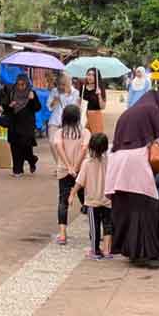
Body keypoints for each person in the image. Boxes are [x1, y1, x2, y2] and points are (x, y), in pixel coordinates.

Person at [105, 92, 159, 268]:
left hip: (117, 162)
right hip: (135, 162)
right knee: (147, 207)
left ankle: (133, 252)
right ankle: (149, 255)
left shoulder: (130, 112)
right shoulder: (151, 109)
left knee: (127, 208)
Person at [71, 133, 112, 260]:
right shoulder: (110, 161)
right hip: (108, 200)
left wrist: (72, 194)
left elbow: (80, 182)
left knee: (94, 227)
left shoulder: (87, 163)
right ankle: (107, 250)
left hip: (92, 201)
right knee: (108, 225)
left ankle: (95, 250)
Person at [54, 105, 91, 245]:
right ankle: (93, 231)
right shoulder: (85, 132)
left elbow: (59, 148)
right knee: (87, 201)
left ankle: (62, 234)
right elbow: (84, 148)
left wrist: (69, 166)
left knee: (63, 201)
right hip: (81, 171)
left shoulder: (60, 133)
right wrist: (75, 167)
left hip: (64, 171)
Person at [2, 73, 42, 177]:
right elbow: (5, 108)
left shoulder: (31, 93)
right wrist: (10, 106)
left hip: (27, 126)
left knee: (26, 147)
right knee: (15, 147)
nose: (20, 87)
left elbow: (37, 108)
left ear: (27, 84)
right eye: (19, 84)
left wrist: (32, 99)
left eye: (23, 84)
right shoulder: (11, 93)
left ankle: (32, 160)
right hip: (14, 125)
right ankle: (17, 170)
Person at [47, 73, 80, 174]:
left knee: (67, 145)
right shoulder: (54, 92)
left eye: (63, 84)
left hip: (69, 122)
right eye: (59, 84)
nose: (61, 87)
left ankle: (67, 166)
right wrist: (54, 102)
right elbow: (49, 107)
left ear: (68, 83)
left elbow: (75, 108)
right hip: (55, 121)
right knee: (53, 142)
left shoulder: (75, 93)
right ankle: (59, 165)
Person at [80, 68, 106, 134]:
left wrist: (99, 95)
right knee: (84, 139)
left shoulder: (100, 88)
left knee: (96, 139)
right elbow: (79, 103)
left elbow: (103, 107)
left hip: (96, 117)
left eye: (93, 75)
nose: (90, 77)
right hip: (84, 117)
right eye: (88, 74)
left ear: (97, 77)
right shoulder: (83, 88)